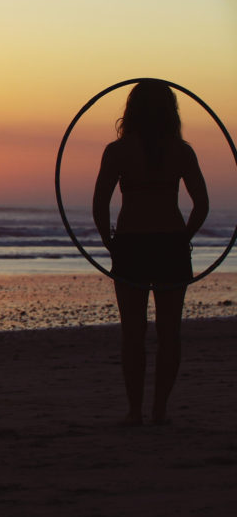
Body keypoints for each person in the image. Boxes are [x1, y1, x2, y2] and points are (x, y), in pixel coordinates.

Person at [93, 80, 208, 426]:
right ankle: (159, 410)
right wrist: (183, 236)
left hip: (132, 244)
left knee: (133, 332)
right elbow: (201, 205)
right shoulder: (182, 151)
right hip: (170, 245)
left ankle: (134, 411)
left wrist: (109, 241)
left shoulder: (118, 151)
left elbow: (100, 204)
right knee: (170, 332)